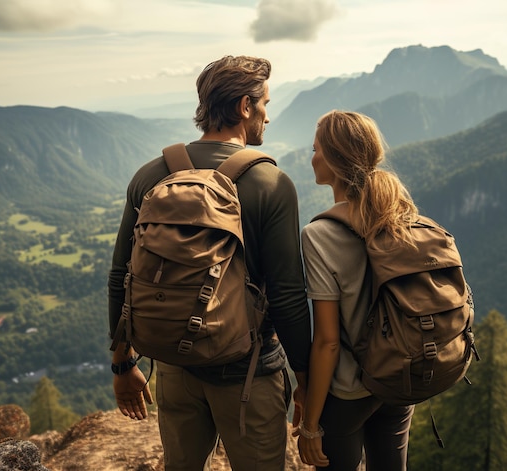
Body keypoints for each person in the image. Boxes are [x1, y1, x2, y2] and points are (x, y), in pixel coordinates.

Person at [108, 55, 312, 471]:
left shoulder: (152, 175)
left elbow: (120, 274)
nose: (267, 117)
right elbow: (289, 296)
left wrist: (123, 363)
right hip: (248, 374)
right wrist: (307, 379)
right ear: (244, 106)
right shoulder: (271, 184)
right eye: (265, 105)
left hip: (175, 367)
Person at [294, 110, 416, 470]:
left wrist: (311, 424)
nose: (311, 157)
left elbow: (328, 341)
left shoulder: (319, 236)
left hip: (350, 391)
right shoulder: (401, 216)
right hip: (397, 380)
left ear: (333, 158)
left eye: (316, 149)